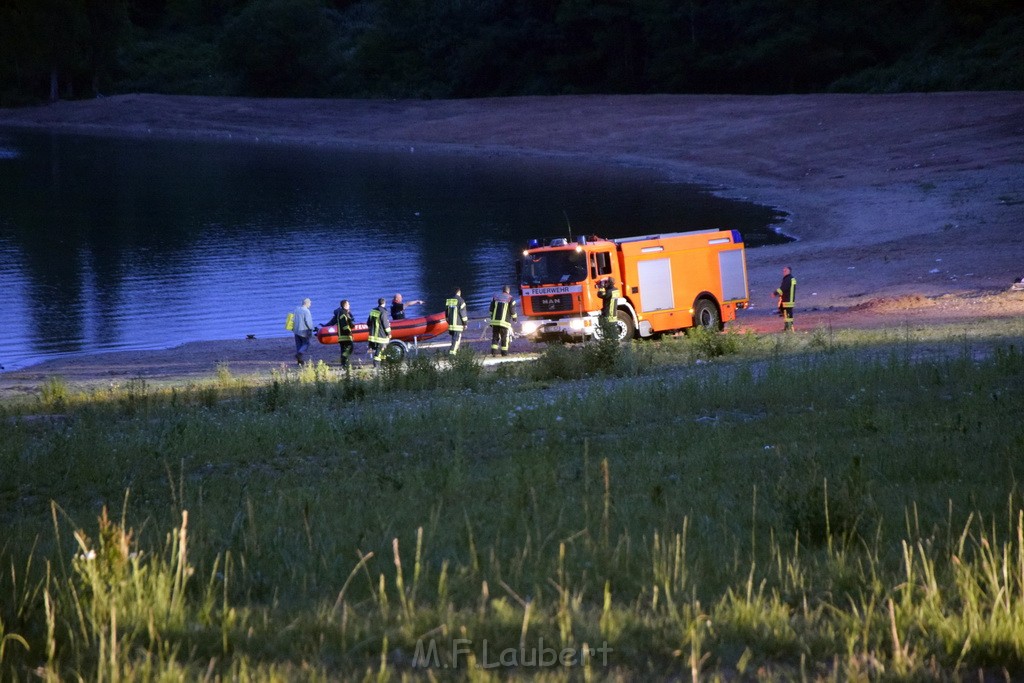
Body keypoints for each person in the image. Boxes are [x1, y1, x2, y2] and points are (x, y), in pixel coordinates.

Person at [322, 299, 355, 370]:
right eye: (348, 304)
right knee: (349, 349)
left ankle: (345, 365)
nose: (349, 305)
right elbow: (345, 325)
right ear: (345, 305)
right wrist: (349, 332)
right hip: (345, 336)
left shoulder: (341, 313)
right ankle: (345, 364)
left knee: (344, 350)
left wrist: (324, 326)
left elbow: (333, 322)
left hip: (341, 336)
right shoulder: (343, 313)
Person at [488, 284, 518, 356]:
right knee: (504, 337)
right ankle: (504, 353)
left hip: (495, 322)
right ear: (509, 291)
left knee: (495, 336)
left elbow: (491, 310)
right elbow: (512, 310)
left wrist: (491, 318)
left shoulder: (495, 297)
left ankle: (493, 352)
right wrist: (515, 319)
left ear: (503, 290)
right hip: (504, 322)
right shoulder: (511, 298)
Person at [366, 297, 391, 366]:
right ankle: (376, 364)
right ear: (384, 303)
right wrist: (389, 333)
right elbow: (385, 323)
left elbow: (368, 323)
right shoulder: (383, 312)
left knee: (380, 349)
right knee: (380, 349)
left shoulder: (373, 311)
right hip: (381, 335)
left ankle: (382, 364)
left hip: (373, 335)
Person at [444, 287, 468, 356]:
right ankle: (452, 355)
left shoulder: (449, 301)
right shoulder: (461, 301)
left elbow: (446, 313)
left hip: (451, 325)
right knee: (456, 340)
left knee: (454, 340)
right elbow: (463, 314)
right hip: (458, 324)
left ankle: (458, 354)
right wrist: (465, 323)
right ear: (459, 292)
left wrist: (448, 322)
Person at [774, 266, 797, 332]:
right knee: (788, 315)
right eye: (783, 271)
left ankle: (788, 328)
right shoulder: (791, 279)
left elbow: (783, 289)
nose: (783, 272)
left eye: (785, 271)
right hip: (789, 300)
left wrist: (775, 293)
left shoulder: (788, 279)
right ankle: (788, 328)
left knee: (787, 315)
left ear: (789, 271)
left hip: (787, 301)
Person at [292, 298, 314, 365]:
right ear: (306, 303)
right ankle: (299, 354)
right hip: (304, 331)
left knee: (298, 345)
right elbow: (308, 322)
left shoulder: (296, 310)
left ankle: (299, 361)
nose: (310, 305)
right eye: (310, 303)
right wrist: (311, 329)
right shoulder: (306, 311)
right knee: (306, 343)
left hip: (296, 330)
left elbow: (292, 319)